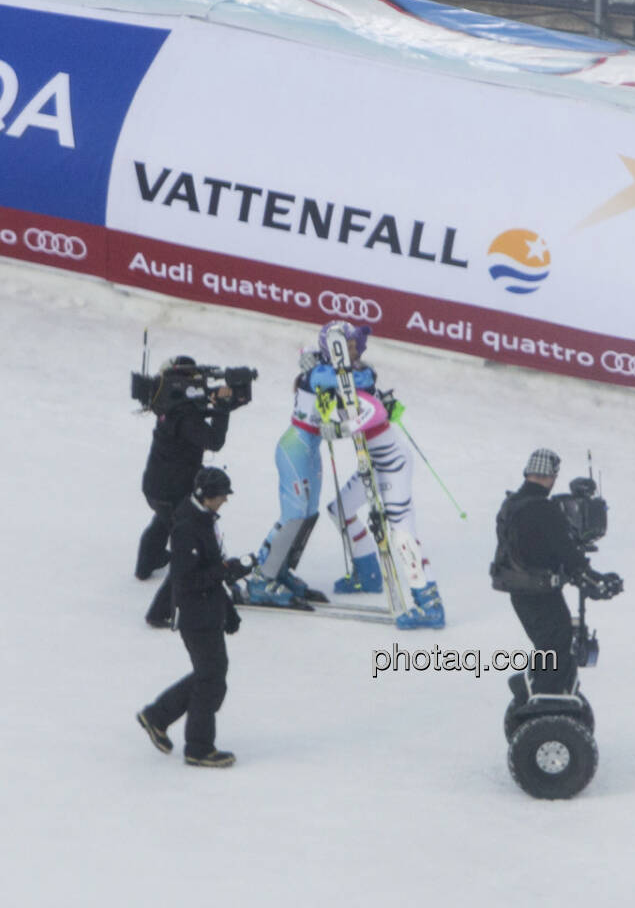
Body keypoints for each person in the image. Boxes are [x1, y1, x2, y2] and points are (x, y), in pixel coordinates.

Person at [245, 321, 444, 628]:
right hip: (297, 448)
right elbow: (334, 379)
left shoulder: (352, 381)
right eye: (347, 346)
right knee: (301, 514)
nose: (354, 352)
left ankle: (421, 598)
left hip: (366, 460)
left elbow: (361, 391)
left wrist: (343, 419)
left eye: (354, 346)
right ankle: (264, 575)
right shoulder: (327, 376)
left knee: (312, 514)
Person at [136, 466, 254, 768]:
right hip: (195, 616)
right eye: (222, 496)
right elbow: (187, 580)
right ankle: (198, 747)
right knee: (210, 677)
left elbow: (209, 572)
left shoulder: (201, 519)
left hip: (208, 611)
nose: (225, 501)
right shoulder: (188, 527)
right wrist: (226, 571)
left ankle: (158, 716)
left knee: (212, 676)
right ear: (206, 496)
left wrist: (227, 609)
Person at [491, 448, 622, 694]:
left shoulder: (510, 504)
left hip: (519, 593)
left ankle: (533, 690)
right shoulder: (545, 510)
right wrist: (596, 581)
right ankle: (546, 703)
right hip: (540, 593)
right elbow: (568, 555)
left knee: (547, 646)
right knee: (558, 647)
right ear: (552, 476)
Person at [136, 356, 233, 628]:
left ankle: (146, 563)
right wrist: (223, 409)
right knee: (184, 551)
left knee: (162, 521)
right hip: (173, 491)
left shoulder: (169, 406)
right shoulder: (187, 417)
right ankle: (159, 611)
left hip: (155, 486)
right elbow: (213, 441)